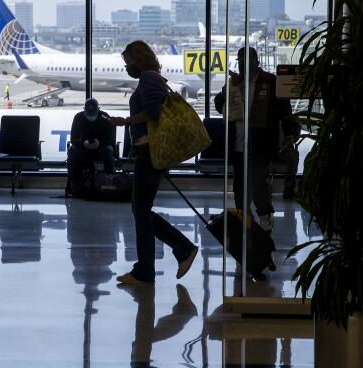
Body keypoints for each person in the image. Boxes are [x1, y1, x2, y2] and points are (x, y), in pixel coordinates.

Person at [109, 41, 198, 285]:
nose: (127, 67)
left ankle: (180, 249)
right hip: (148, 151)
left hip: (149, 151)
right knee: (141, 211)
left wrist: (125, 121)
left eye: (128, 62)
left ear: (138, 60)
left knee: (141, 211)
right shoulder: (154, 77)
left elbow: (153, 112)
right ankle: (147, 268)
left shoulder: (148, 78)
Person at [214, 47, 298, 232]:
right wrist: (229, 89)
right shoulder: (235, 82)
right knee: (240, 185)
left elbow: (285, 111)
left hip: (262, 143)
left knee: (258, 179)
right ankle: (245, 221)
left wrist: (290, 134)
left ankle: (265, 214)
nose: (244, 65)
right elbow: (220, 106)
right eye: (241, 61)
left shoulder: (270, 81)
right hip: (238, 143)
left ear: (257, 62)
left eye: (248, 61)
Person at [66, 98, 116, 195]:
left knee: (108, 152)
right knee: (72, 152)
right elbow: (73, 140)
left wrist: (99, 144)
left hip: (101, 146)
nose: (91, 116)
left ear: (99, 109)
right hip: (83, 146)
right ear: (84, 109)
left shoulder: (105, 117)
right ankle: (72, 183)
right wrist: (84, 144)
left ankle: (109, 183)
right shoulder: (79, 117)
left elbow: (110, 140)